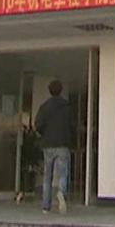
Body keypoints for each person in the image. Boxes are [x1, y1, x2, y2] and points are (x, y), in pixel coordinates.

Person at [34, 79, 74, 214]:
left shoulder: (44, 107)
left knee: (47, 176)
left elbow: (38, 124)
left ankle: (46, 206)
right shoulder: (67, 107)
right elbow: (72, 125)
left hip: (48, 144)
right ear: (61, 90)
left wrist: (44, 133)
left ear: (50, 91)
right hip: (63, 143)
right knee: (63, 173)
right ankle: (61, 192)